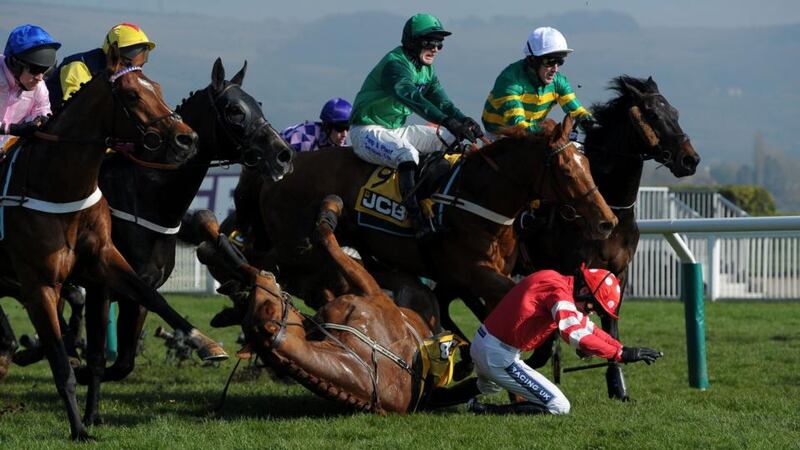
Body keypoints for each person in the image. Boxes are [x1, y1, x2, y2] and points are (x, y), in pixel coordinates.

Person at [349, 13, 483, 238]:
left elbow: (443, 102)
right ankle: (414, 214)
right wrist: (448, 120)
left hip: (395, 129)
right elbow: (413, 98)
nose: (436, 48)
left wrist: (463, 120)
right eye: (430, 42)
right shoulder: (395, 65)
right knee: (407, 153)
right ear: (412, 42)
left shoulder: (426, 69)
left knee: (452, 138)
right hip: (366, 130)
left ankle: (444, 200)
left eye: (440, 43)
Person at [468, 264, 663, 415]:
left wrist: (622, 348)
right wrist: (619, 354)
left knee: (486, 386)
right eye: (592, 307)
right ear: (585, 291)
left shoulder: (560, 284)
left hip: (487, 343)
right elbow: (575, 334)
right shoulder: (559, 292)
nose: (591, 312)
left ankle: (441, 399)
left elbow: (590, 329)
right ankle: (484, 411)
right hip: (498, 354)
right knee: (559, 406)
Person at [481, 27, 594, 137]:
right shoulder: (510, 81)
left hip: (533, 133)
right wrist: (549, 129)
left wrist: (588, 121)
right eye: (550, 61)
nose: (555, 69)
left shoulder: (559, 82)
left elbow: (578, 112)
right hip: (500, 136)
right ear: (533, 60)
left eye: (559, 62)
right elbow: (519, 126)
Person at [46, 22, 154, 108]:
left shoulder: (117, 75)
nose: (133, 71)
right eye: (128, 62)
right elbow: (78, 108)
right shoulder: (78, 67)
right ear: (112, 52)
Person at [1, 24, 60, 150]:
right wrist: (11, 129)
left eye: (45, 70)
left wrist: (42, 120)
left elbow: (43, 112)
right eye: (35, 69)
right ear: (14, 63)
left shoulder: (40, 88)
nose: (40, 78)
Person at [279, 97, 352, 152]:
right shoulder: (304, 139)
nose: (345, 134)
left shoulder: (337, 140)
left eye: (347, 128)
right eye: (340, 128)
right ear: (327, 127)